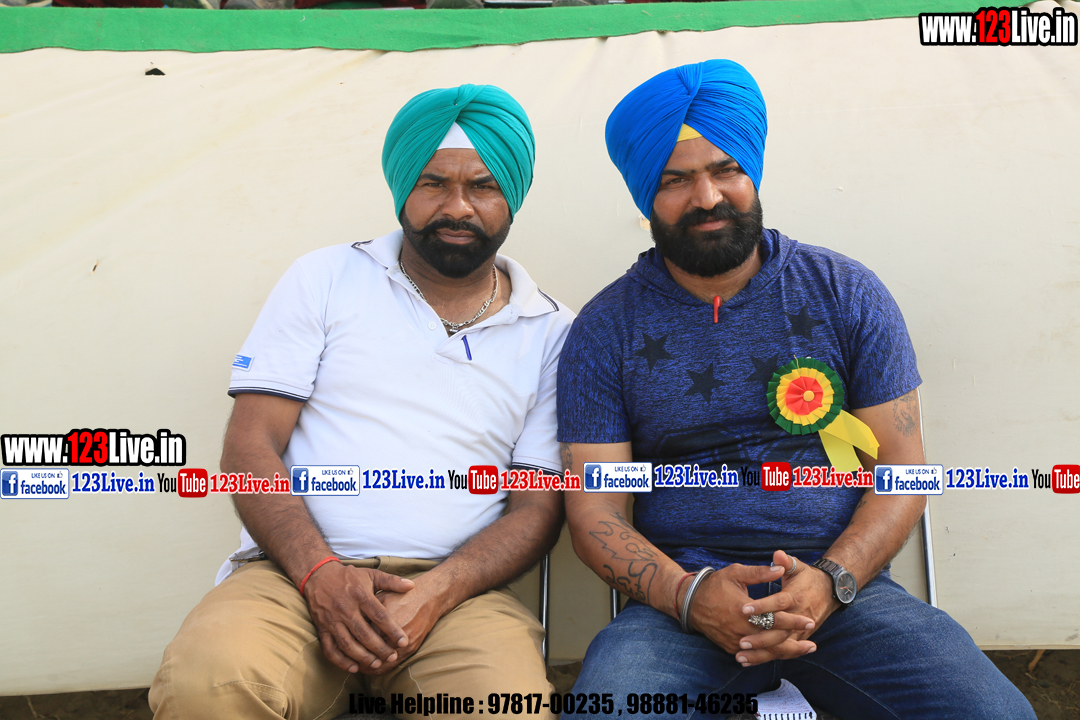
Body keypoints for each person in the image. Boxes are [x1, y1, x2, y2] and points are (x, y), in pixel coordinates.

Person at [556, 60, 1034, 719]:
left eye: (726, 169)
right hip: (679, 610)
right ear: (646, 196)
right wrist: (690, 597)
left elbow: (901, 471)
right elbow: (595, 512)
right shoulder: (605, 327)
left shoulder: (845, 292)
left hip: (846, 597)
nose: (707, 197)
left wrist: (832, 582)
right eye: (674, 179)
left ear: (752, 172)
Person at [149, 84, 573, 720]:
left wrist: (437, 591)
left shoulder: (553, 330)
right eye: (432, 183)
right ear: (402, 189)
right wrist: (318, 573)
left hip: (457, 593)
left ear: (511, 195)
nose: (457, 207)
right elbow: (250, 444)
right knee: (208, 688)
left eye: (482, 186)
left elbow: (537, 506)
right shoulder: (324, 278)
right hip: (290, 576)